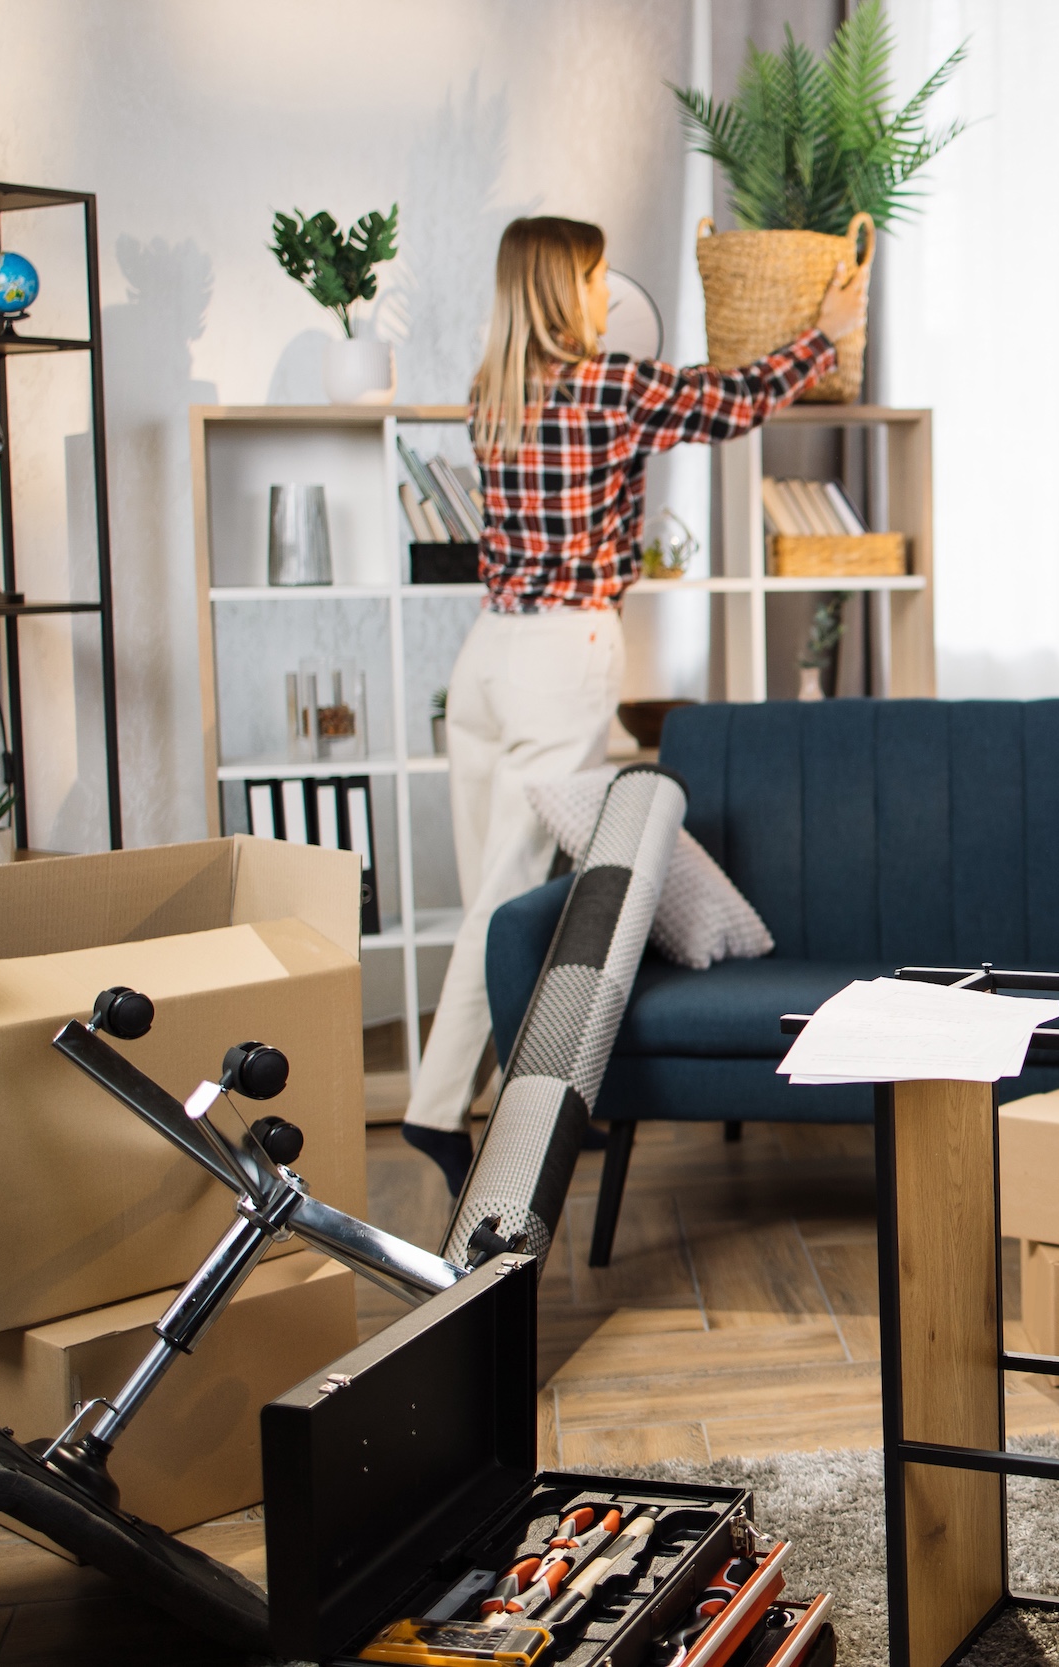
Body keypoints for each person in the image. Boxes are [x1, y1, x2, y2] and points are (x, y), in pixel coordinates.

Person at [402, 215, 869, 1190]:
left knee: (505, 879)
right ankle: (440, 1110)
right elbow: (732, 403)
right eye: (597, 273)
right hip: (562, 646)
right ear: (568, 286)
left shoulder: (492, 392)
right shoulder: (611, 384)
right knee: (511, 888)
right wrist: (823, 335)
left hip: (486, 652)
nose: (604, 289)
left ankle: (521, 1095)